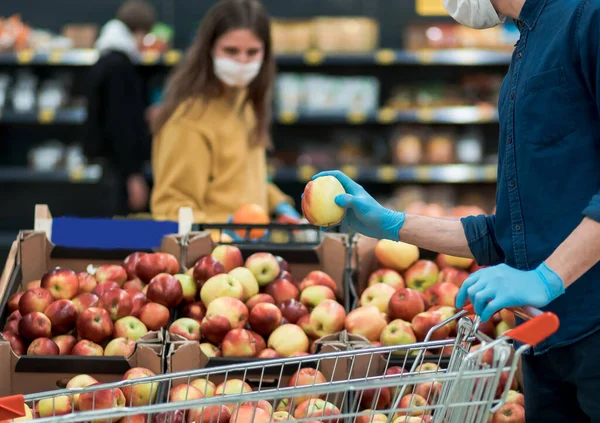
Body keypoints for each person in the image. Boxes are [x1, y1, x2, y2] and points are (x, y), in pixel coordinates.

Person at [316, 0, 600, 421]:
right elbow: (506, 234)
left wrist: (548, 276)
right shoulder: (529, 41)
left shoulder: (587, 15)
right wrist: (392, 224)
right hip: (544, 345)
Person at [150, 0, 299, 224]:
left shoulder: (245, 105)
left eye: (252, 52)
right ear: (209, 49)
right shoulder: (189, 120)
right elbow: (172, 208)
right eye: (231, 51)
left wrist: (277, 204)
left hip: (250, 249)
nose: (242, 61)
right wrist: (226, 229)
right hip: (213, 255)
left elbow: (239, 180)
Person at [84, 0, 154, 214]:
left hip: (106, 168)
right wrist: (133, 175)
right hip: (119, 173)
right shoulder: (120, 68)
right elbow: (122, 125)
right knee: (121, 234)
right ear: (139, 31)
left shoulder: (104, 60)